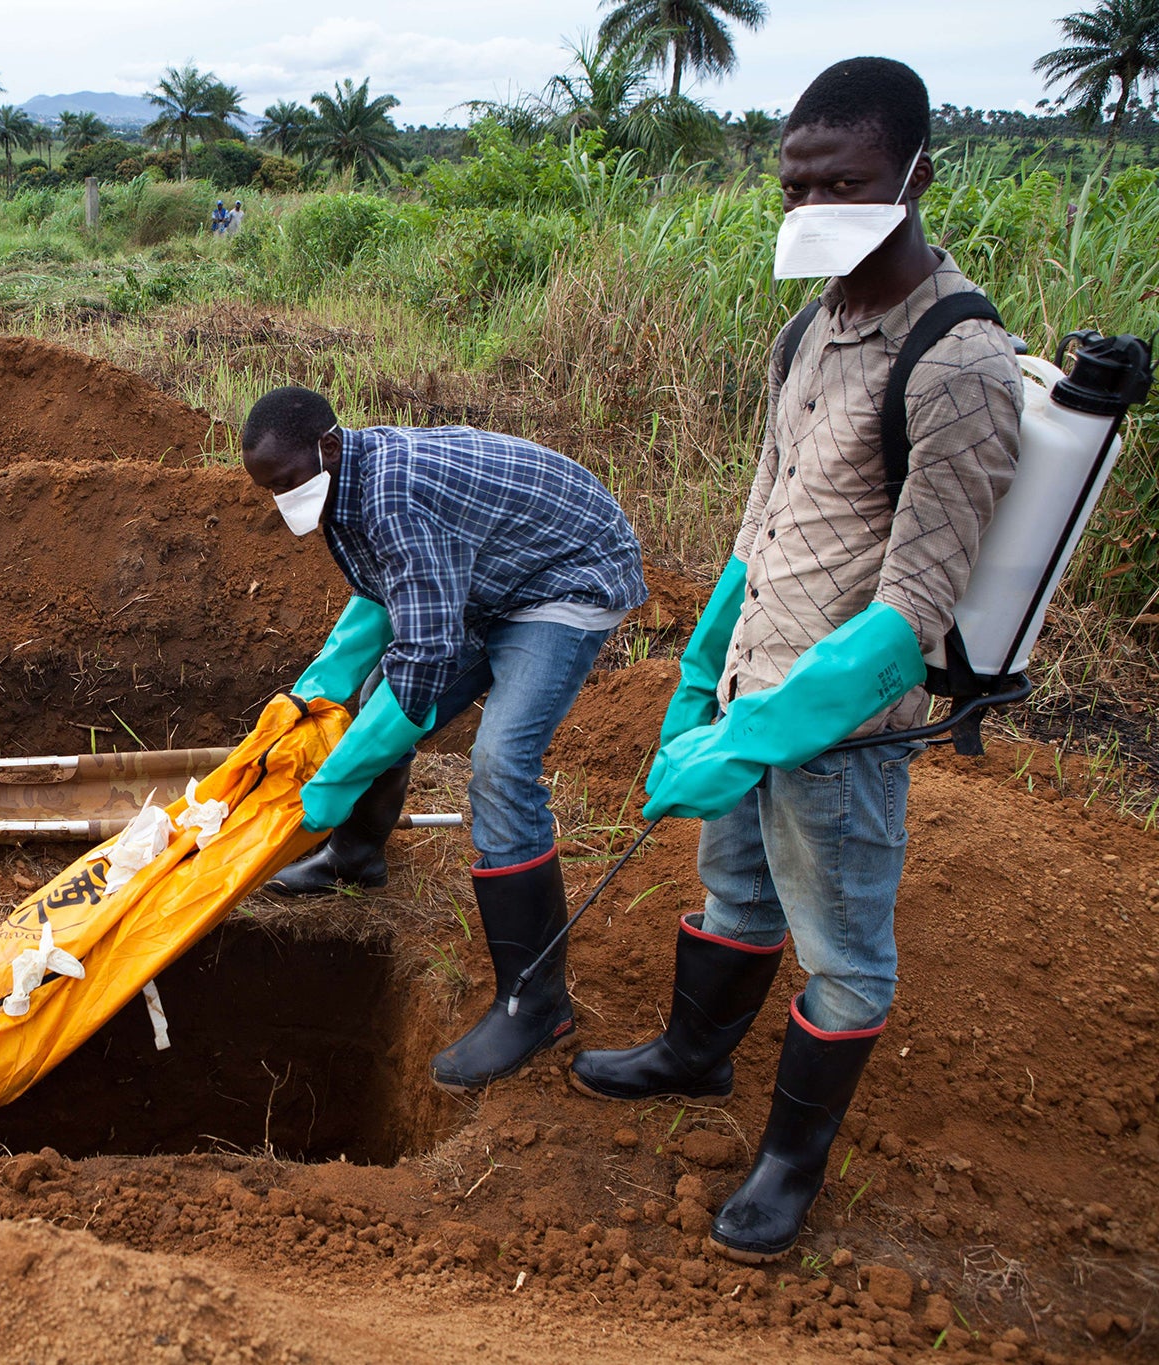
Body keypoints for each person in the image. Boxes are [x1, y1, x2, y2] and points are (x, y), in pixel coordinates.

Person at [569, 57, 1022, 1263]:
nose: (814, 204)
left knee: (841, 954)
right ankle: (688, 1058)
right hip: (750, 687)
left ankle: (785, 1168)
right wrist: (695, 689)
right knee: (735, 894)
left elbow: (911, 613)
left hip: (838, 732)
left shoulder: (958, 365)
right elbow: (755, 528)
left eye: (847, 180)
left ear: (916, 176)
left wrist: (761, 736)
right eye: (795, 182)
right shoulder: (805, 329)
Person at [242, 387, 647, 1089]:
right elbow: (379, 600)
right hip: (490, 575)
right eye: (269, 490)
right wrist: (310, 695)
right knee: (371, 700)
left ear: (329, 446)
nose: (283, 499)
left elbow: (425, 658)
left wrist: (333, 780)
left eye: (287, 482)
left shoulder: (395, 495)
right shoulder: (346, 482)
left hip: (566, 576)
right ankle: (355, 858)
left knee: (500, 765)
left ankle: (534, 1003)